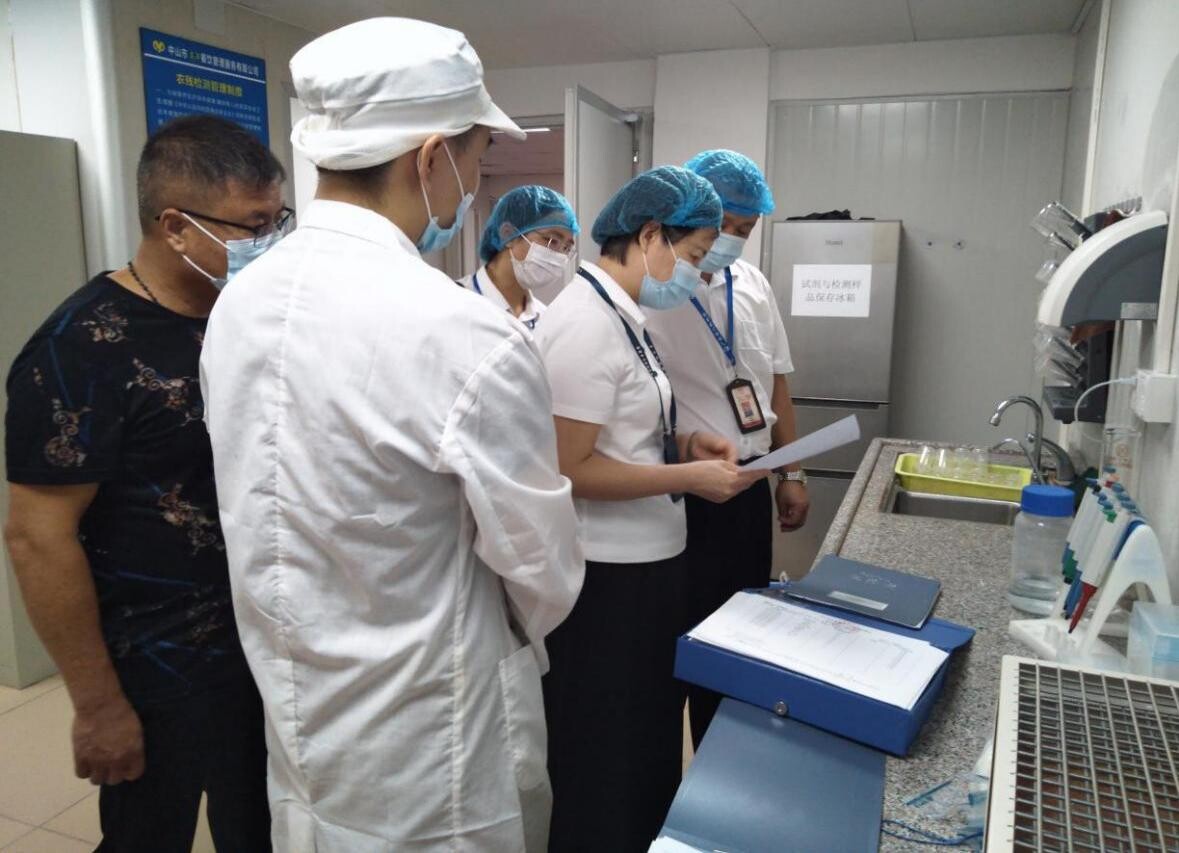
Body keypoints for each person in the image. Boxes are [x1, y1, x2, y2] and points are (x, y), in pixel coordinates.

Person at [198, 18, 584, 852]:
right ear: (432, 157)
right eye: (479, 155)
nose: (473, 182)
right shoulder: (464, 332)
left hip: (302, 718)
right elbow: (544, 573)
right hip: (433, 746)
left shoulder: (240, 302)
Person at [3, 115, 286, 852]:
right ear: (177, 227)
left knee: (263, 830)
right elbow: (37, 536)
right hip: (154, 662)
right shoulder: (79, 349)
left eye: (278, 220)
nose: (269, 241)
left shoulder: (249, 316)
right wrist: (97, 704)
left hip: (265, 644)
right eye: (253, 226)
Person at [535, 165, 768, 851]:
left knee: (644, 747)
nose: (695, 273)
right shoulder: (583, 323)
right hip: (607, 581)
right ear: (648, 235)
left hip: (650, 568)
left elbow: (627, 430)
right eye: (693, 255)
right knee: (606, 758)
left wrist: (688, 442)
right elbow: (569, 466)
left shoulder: (622, 314)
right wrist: (685, 474)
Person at [646, 149, 809, 748]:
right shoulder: (654, 291)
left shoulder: (754, 284)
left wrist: (793, 472)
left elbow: (776, 383)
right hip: (681, 491)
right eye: (726, 227)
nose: (733, 240)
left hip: (751, 486)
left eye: (746, 228)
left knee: (741, 638)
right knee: (679, 641)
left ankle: (724, 756)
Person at [458, 184, 578, 328]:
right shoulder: (454, 301)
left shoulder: (545, 320)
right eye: (551, 241)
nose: (558, 255)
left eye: (566, 248)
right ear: (508, 234)